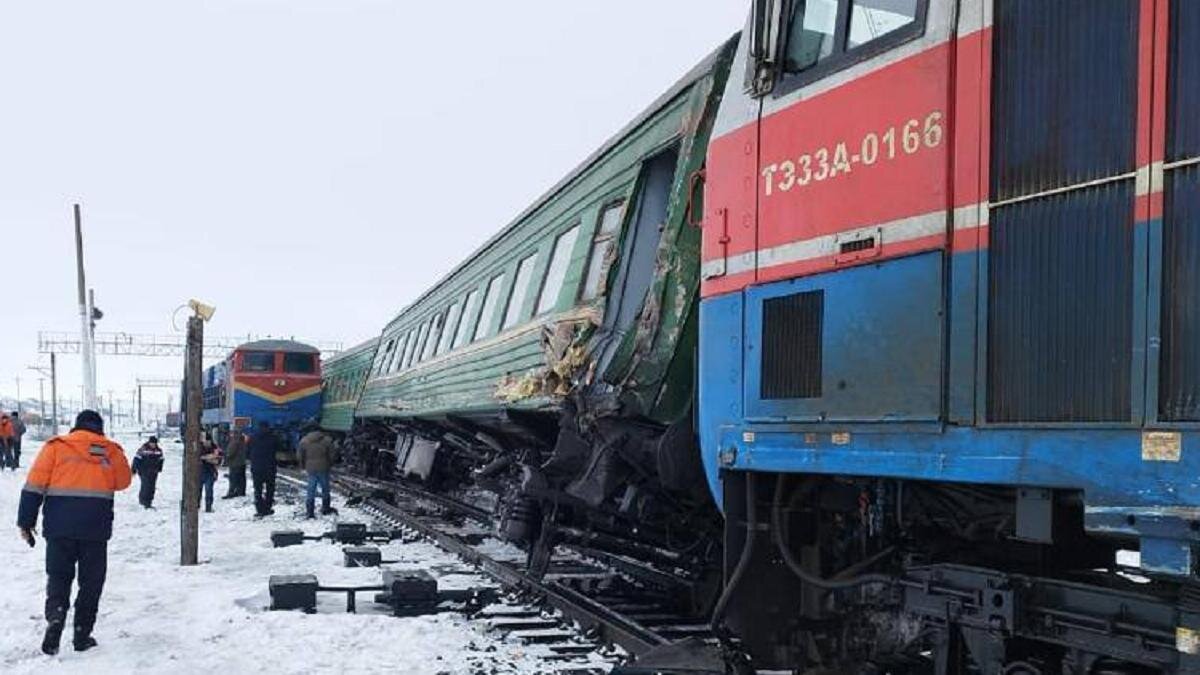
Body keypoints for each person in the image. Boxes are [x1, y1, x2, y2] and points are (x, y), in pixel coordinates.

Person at [17, 410, 132, 655]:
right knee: (91, 582)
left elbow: (34, 486)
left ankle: (56, 617)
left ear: (75, 426)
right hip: (95, 530)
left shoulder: (56, 447)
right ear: (99, 428)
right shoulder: (110, 450)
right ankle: (82, 634)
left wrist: (25, 522)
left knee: (58, 577)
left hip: (59, 529)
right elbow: (123, 482)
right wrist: (107, 461)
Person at [297, 427, 339, 519]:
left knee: (311, 489)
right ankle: (325, 508)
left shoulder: (304, 441)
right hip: (323, 467)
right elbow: (332, 454)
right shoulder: (327, 440)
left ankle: (310, 511)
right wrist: (330, 463)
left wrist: (303, 465)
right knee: (325, 488)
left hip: (310, 468)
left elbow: (300, 455)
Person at [247, 422, 280, 517]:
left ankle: (259, 509)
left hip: (257, 467)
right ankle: (267, 508)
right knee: (270, 489)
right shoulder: (273, 438)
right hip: (270, 467)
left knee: (258, 489)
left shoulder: (252, 437)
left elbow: (247, 451)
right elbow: (279, 447)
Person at [130, 436, 165, 508]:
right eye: (152, 443)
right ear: (149, 443)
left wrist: (159, 468)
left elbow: (161, 460)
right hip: (143, 471)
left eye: (154, 443)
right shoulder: (143, 449)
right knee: (145, 486)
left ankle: (149, 501)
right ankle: (143, 501)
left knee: (152, 487)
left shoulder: (158, 450)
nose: (153, 445)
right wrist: (133, 470)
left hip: (154, 472)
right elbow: (136, 459)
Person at [222, 427, 248, 499]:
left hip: (235, 463)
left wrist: (226, 455)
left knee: (233, 479)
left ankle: (231, 492)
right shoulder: (242, 440)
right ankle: (241, 491)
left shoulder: (234, 441)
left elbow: (230, 453)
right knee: (242, 478)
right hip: (242, 462)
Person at [198, 436, 222, 513]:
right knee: (198, 490)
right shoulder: (199, 447)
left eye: (207, 441)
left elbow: (218, 460)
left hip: (210, 472)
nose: (206, 443)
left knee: (209, 490)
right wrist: (209, 458)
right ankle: (197, 505)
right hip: (200, 471)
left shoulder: (215, 448)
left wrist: (206, 458)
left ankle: (208, 506)